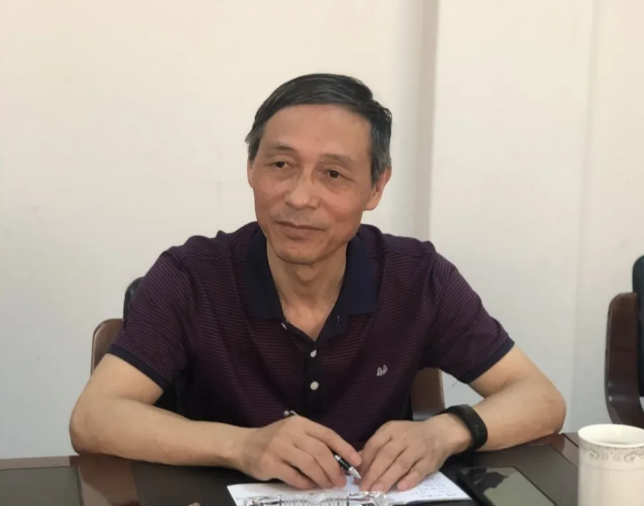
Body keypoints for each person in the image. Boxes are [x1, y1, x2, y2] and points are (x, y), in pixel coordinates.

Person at [70, 73, 565, 493]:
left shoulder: (416, 278)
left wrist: (445, 432)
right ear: (251, 168)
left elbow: (540, 399)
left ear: (376, 187)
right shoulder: (191, 276)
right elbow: (94, 418)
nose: (300, 197)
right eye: (281, 165)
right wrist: (242, 445)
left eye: (333, 174)